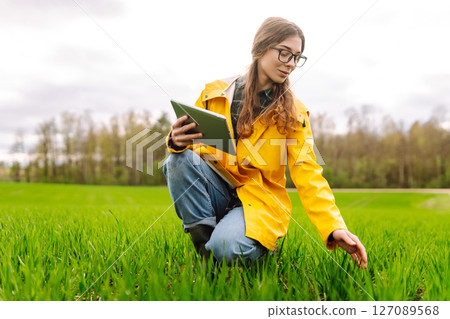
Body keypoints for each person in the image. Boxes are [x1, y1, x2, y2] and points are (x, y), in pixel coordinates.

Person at [163, 17, 368, 268]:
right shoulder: (214, 94)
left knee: (227, 248)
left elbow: (309, 173)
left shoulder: (295, 115)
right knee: (178, 159)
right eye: (284, 54)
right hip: (218, 189)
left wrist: (334, 227)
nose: (291, 64)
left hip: (260, 201)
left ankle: (251, 246)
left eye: (297, 57)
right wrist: (177, 140)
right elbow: (195, 153)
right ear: (260, 48)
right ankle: (208, 259)